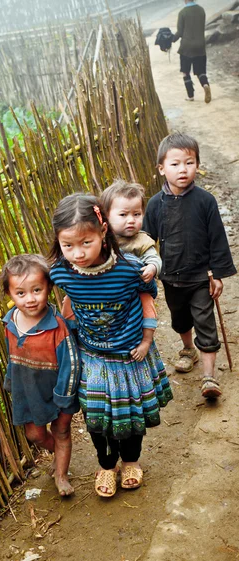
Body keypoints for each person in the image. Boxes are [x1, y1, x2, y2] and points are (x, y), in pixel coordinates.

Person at [49, 193, 172, 498]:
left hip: (130, 356)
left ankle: (130, 461)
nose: (77, 253)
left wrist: (146, 339)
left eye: (85, 243)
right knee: (97, 419)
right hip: (93, 358)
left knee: (131, 416)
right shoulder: (61, 272)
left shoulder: (130, 270)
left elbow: (147, 303)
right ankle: (106, 465)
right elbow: (63, 303)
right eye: (68, 245)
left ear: (103, 232)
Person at [143, 132, 236, 398]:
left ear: (197, 164)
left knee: (205, 322)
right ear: (162, 168)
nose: (183, 169)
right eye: (175, 164)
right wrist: (147, 268)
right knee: (180, 319)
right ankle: (187, 349)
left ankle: (209, 377)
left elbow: (217, 238)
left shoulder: (205, 201)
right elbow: (146, 242)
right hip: (171, 276)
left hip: (201, 276)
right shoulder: (154, 204)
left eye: (189, 162)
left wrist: (218, 274)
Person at [0, 254, 81, 497]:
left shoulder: (57, 326)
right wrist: (11, 381)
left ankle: (62, 475)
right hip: (28, 390)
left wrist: (64, 396)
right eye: (21, 293)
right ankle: (58, 453)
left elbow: (72, 364)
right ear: (10, 295)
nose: (31, 299)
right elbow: (11, 355)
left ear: (48, 287)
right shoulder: (11, 322)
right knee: (34, 434)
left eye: (37, 290)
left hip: (59, 390)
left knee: (61, 431)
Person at [100, 179, 162, 361]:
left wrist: (151, 267)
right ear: (106, 216)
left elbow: (154, 258)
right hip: (106, 291)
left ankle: (146, 341)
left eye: (136, 214)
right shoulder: (102, 240)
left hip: (135, 291)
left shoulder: (142, 240)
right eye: (123, 215)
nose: (131, 220)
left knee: (147, 305)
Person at [172, 0, 211, 103]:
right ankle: (205, 85)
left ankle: (191, 96)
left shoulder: (182, 12)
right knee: (201, 71)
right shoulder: (201, 10)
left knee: (185, 72)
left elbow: (180, 32)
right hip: (200, 46)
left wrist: (172, 39)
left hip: (186, 47)